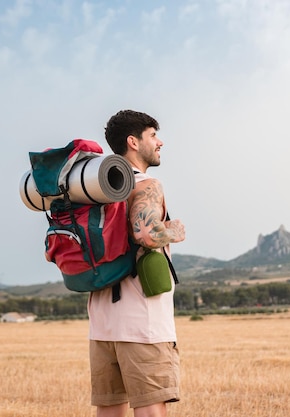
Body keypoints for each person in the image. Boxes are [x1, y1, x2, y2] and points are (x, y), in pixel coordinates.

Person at [88, 110, 186, 417]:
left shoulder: (94, 189)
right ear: (133, 141)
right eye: (153, 135)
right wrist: (174, 231)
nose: (160, 142)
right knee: (151, 408)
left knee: (109, 410)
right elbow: (145, 234)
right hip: (142, 323)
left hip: (103, 324)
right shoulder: (146, 184)